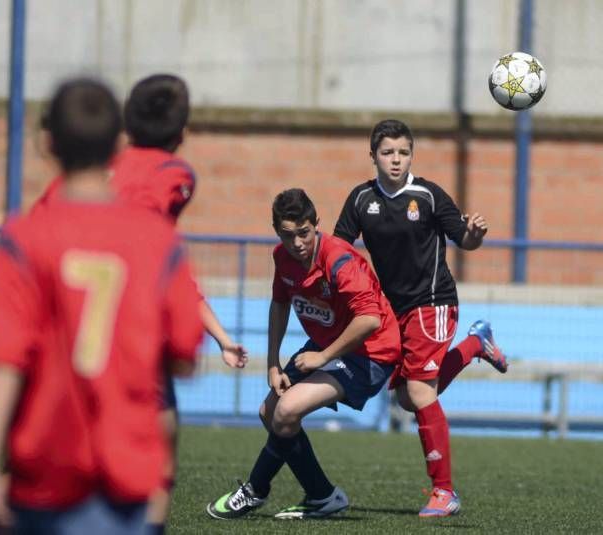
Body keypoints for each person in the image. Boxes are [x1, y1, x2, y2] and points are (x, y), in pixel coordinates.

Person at [0, 78, 204, 534]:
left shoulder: (22, 239)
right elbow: (185, 356)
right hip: (123, 468)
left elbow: (8, 359)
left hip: (44, 464)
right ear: (118, 144)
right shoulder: (157, 241)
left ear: (47, 145)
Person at [33, 74, 248, 532]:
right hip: (127, 324)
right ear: (181, 133)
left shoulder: (58, 199)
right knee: (153, 429)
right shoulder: (173, 175)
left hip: (62, 329)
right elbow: (156, 250)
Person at [333, 119, 508, 517]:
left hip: (433, 302)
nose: (396, 160)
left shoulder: (427, 195)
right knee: (405, 399)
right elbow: (339, 249)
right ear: (373, 156)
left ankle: (444, 492)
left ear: (412, 154)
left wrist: (475, 234)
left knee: (418, 394)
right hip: (393, 310)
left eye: (403, 152)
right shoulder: (361, 199)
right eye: (387, 152)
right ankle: (475, 344)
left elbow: (464, 238)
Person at [205, 188, 401, 520]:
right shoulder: (283, 257)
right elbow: (279, 303)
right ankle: (322, 496)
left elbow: (369, 320)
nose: (297, 242)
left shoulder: (339, 260)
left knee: (287, 411)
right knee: (270, 412)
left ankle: (255, 490)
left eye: (304, 233)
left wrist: (323, 356)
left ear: (316, 225)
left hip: (371, 351)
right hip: (330, 343)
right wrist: (272, 363)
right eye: (287, 235)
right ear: (278, 233)